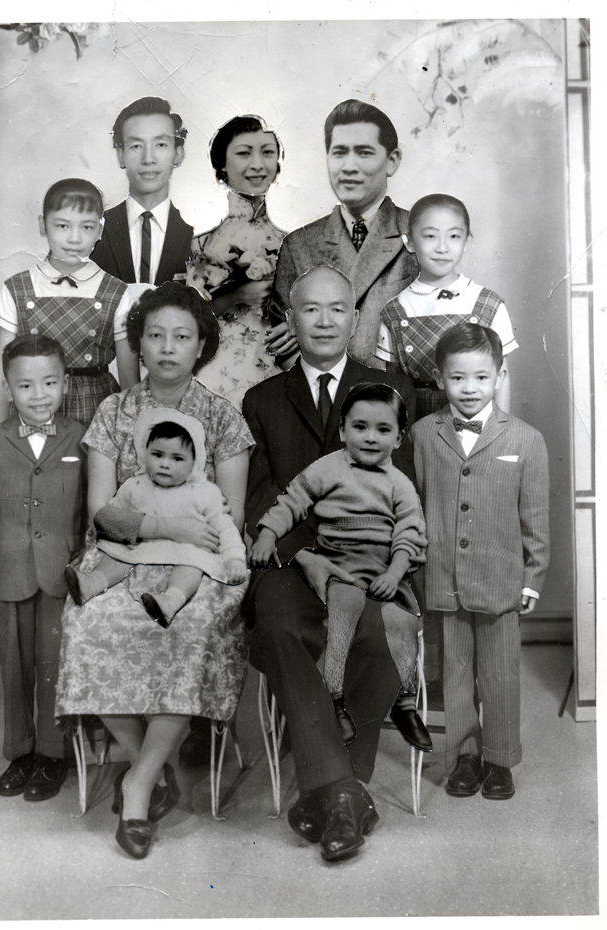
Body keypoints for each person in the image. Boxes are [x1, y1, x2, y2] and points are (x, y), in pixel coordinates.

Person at [54, 282, 253, 859]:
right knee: (88, 622)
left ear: (201, 347)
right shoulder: (114, 411)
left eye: (182, 337)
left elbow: (231, 514)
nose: (168, 347)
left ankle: (138, 781)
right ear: (138, 344)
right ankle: (154, 762)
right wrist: (164, 530)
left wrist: (188, 539)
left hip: (199, 565)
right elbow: (101, 513)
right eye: (156, 335)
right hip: (121, 555)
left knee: (188, 629)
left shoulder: (221, 415)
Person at [243, 265, 423, 863]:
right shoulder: (263, 398)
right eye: (310, 309)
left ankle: (330, 789)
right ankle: (346, 792)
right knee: (279, 625)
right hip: (291, 563)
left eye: (337, 308)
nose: (324, 320)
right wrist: (304, 556)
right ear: (290, 320)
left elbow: (408, 493)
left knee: (376, 629)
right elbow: (262, 495)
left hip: (369, 561)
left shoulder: (389, 387)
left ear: (354, 317)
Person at [411, 322, 549, 800]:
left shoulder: (526, 440)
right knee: (454, 671)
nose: (469, 389)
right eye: (457, 378)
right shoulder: (423, 435)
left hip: (500, 579)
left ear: (500, 375)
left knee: (500, 675)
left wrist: (532, 578)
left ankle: (500, 759)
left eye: (481, 378)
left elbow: (534, 515)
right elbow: (417, 503)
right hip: (444, 577)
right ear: (439, 378)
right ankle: (464, 755)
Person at [250, 383, 427, 746]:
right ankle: (335, 700)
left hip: (385, 571)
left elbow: (411, 533)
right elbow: (291, 502)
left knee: (402, 621)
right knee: (343, 611)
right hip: (339, 566)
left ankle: (406, 702)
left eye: (383, 430)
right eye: (360, 427)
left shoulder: (400, 484)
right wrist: (268, 535)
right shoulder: (326, 469)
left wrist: (395, 574)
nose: (371, 438)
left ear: (398, 438)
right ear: (343, 430)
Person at [0, 335, 85, 802]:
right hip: (6, 573)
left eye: (50, 383)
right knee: (14, 667)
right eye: (26, 386)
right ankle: (19, 752)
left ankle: (52, 756)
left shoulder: (82, 439)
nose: (39, 395)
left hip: (60, 575)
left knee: (54, 664)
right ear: (9, 389)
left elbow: (89, 510)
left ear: (65, 384)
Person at [268, 99, 418, 368]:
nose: (349, 166)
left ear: (392, 161)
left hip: (399, 401)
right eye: (339, 152)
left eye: (363, 152)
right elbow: (282, 348)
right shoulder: (298, 245)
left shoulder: (419, 234)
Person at [64, 408, 247, 626]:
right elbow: (109, 515)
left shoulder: (205, 492)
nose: (165, 464)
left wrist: (234, 557)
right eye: (157, 455)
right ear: (145, 453)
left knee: (193, 565)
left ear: (194, 462)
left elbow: (225, 527)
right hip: (141, 545)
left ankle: (170, 601)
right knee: (116, 554)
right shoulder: (136, 485)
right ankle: (91, 584)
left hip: (185, 548)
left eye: (177, 458)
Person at [0, 178, 138, 429]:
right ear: (43, 225)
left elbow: (130, 382)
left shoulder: (116, 292)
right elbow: (0, 379)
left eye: (87, 227)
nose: (74, 238)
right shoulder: (16, 289)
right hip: (33, 410)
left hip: (97, 415)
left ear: (100, 231)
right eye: (62, 226)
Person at [376, 193, 518, 418]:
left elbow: (502, 377)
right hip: (414, 426)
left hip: (476, 424)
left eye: (453, 236)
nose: (442, 248)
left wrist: (497, 436)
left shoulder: (488, 304)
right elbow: (392, 385)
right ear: (410, 241)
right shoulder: (395, 310)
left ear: (467, 241)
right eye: (430, 236)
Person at [185, 114, 288, 406]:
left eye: (267, 153)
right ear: (222, 168)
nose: (257, 164)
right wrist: (239, 294)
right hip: (214, 377)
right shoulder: (200, 245)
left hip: (276, 373)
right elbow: (188, 322)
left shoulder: (292, 243)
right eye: (244, 153)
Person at [91, 96, 193, 288]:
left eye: (160, 145)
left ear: (178, 154)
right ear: (121, 156)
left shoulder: (197, 236)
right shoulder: (92, 231)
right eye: (136, 146)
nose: (148, 158)